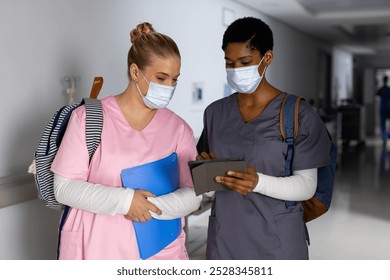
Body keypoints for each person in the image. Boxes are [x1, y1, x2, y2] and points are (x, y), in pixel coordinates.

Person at [51, 22, 202, 260]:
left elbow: (193, 194)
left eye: (175, 79)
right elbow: (63, 187)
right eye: (161, 77)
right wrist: (126, 201)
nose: (169, 87)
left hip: (159, 251)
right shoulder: (88, 118)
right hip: (95, 248)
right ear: (135, 72)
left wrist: (154, 207)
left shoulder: (178, 129)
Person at [196, 17, 331, 260]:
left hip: (278, 243)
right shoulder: (215, 113)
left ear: (267, 58)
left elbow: (307, 186)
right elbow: (206, 184)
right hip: (224, 240)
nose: (236, 70)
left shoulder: (297, 114)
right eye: (229, 63)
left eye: (245, 62)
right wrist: (204, 171)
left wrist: (257, 182)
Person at [376, 75, 390, 146]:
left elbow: (377, 93)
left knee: (384, 126)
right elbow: (377, 93)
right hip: (385, 109)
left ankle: (385, 139)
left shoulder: (385, 89)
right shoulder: (382, 89)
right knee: (383, 126)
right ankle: (384, 140)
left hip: (386, 109)